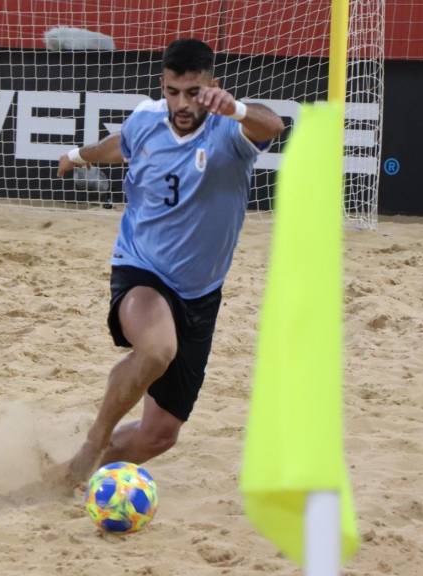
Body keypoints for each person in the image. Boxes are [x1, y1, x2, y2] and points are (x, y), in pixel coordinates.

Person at [55, 38, 285, 485]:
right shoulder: (147, 119)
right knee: (157, 350)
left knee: (158, 437)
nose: (181, 103)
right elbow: (120, 145)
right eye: (172, 91)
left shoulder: (230, 132)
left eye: (193, 92)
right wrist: (78, 156)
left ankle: (68, 479)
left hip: (201, 294)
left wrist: (235, 109)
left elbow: (273, 125)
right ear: (163, 86)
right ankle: (93, 442)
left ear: (211, 87)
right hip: (142, 269)